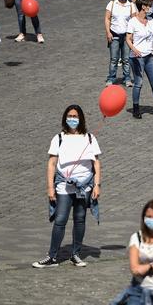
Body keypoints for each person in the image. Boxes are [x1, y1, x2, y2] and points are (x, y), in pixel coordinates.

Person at [32, 105, 101, 268]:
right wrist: (50, 188)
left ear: (81, 118)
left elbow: (96, 163)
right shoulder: (59, 138)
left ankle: (75, 254)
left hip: (85, 186)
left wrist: (97, 185)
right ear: (65, 118)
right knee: (60, 219)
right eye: (69, 116)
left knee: (80, 219)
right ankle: (52, 256)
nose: (72, 119)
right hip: (64, 186)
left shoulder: (90, 138)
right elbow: (52, 164)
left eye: (75, 116)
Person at [105, 0, 136, 87]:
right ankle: (111, 78)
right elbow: (107, 18)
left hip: (127, 36)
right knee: (114, 59)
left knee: (126, 59)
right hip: (114, 34)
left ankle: (127, 78)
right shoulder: (112, 4)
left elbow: (134, 21)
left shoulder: (131, 5)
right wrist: (108, 32)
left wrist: (133, 36)